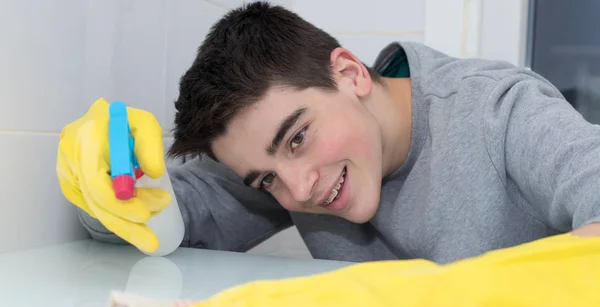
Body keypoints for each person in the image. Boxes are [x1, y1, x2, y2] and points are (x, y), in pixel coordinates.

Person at [56, 1, 600, 265]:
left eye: (296, 138)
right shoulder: (301, 176)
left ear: (350, 73)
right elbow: (169, 219)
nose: (298, 191)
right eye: (265, 180)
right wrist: (104, 180)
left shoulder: (499, 111)